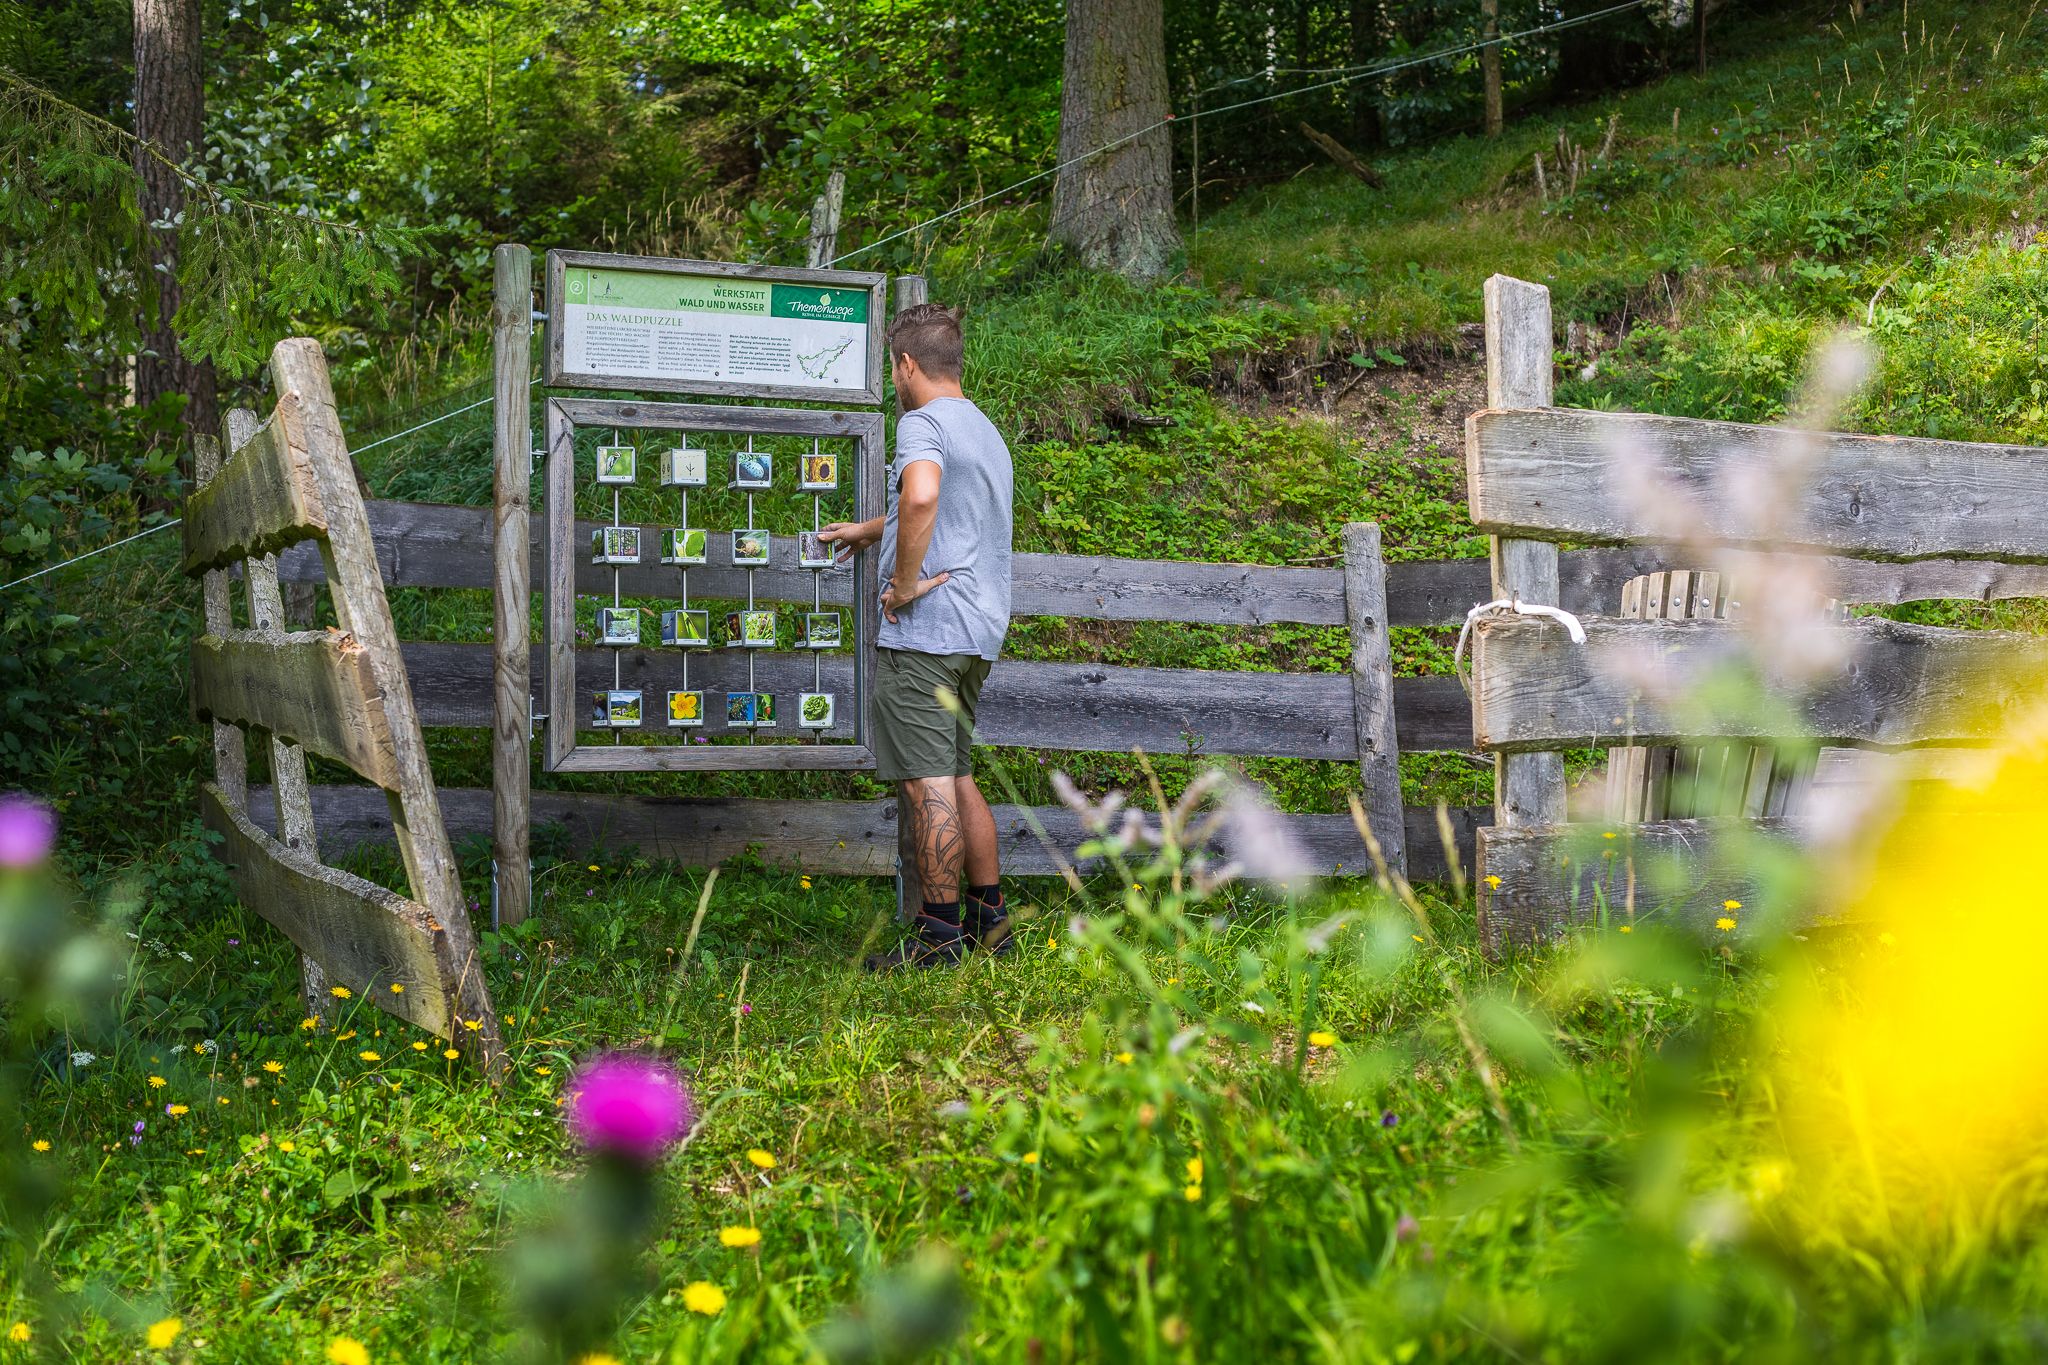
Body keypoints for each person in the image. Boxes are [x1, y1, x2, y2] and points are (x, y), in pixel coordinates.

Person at [819, 303, 1014, 970]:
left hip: (928, 631)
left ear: (906, 364)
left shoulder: (921, 423)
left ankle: (938, 938)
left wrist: (902, 585)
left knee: (925, 784)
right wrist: (869, 530)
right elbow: (942, 509)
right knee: (957, 774)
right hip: (976, 633)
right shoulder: (983, 429)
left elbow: (924, 496)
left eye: (891, 367)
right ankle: (991, 921)